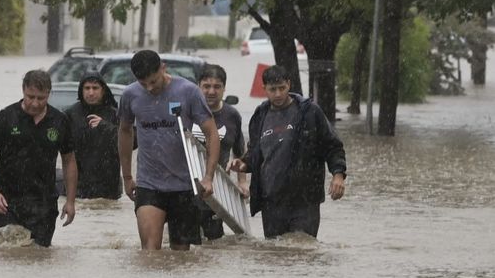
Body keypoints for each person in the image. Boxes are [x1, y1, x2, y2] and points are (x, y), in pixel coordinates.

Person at [117, 50, 220, 250]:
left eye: (154, 81)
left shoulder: (189, 92)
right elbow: (125, 131)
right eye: (143, 83)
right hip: (149, 184)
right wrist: (127, 176)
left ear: (163, 68)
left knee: (180, 257)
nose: (149, 88)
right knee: (149, 252)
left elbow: (212, 134)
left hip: (183, 185)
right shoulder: (130, 95)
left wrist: (208, 176)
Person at [230, 64, 347, 239]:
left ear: (289, 85)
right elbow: (256, 152)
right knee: (275, 254)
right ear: (264, 89)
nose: (277, 94)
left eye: (282, 88)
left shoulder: (309, 112)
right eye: (272, 89)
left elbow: (332, 146)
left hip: (304, 200)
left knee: (302, 250)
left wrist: (338, 175)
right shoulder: (260, 115)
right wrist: (244, 163)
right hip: (271, 200)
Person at [0, 69, 78, 247]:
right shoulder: (6, 117)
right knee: (9, 255)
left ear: (49, 93)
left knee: (39, 256)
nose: (34, 103)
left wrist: (70, 201)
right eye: (30, 96)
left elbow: (69, 161)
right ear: (23, 90)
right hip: (7, 201)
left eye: (41, 98)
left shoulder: (59, 121)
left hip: (44, 202)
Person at [193, 64, 248, 240]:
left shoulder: (232, 115)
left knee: (214, 244)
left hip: (217, 193)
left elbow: (239, 153)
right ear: (198, 86)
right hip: (184, 190)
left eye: (217, 87)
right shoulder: (187, 112)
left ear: (224, 89)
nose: (211, 91)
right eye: (206, 86)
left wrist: (242, 183)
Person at [64, 73, 121, 199]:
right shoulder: (70, 114)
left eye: (95, 88)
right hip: (78, 186)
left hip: (108, 187)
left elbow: (133, 142)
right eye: (87, 88)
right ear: (81, 90)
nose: (91, 93)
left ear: (103, 90)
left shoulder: (115, 115)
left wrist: (106, 127)